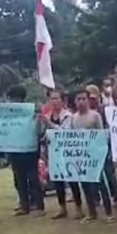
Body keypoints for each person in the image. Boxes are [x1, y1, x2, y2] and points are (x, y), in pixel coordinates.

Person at [70, 89, 115, 224]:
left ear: (88, 100)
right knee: (85, 185)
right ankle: (91, 212)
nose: (81, 102)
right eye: (79, 99)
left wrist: (102, 152)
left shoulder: (95, 116)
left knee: (101, 183)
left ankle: (109, 213)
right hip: (82, 156)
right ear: (75, 102)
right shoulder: (74, 118)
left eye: (84, 99)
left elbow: (101, 135)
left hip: (95, 154)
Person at [41, 90, 83, 220]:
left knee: (72, 179)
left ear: (62, 101)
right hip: (54, 152)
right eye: (52, 99)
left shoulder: (68, 116)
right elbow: (44, 134)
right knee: (57, 180)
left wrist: (49, 125)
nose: (54, 101)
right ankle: (62, 207)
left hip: (68, 151)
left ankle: (78, 207)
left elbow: (65, 133)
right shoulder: (47, 115)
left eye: (56, 98)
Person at [6, 85, 45, 217]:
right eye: (11, 99)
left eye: (15, 98)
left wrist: (38, 120)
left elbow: (38, 131)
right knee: (19, 180)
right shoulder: (7, 115)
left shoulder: (31, 112)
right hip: (14, 151)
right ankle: (24, 206)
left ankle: (39, 206)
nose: (13, 101)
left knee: (33, 178)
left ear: (21, 99)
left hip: (30, 150)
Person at [86, 84, 117, 204]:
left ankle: (115, 195)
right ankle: (96, 197)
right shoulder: (84, 113)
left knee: (108, 171)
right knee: (93, 172)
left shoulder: (105, 110)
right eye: (90, 98)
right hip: (90, 146)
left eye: (94, 98)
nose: (92, 100)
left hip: (105, 143)